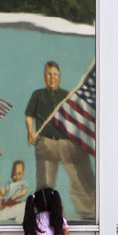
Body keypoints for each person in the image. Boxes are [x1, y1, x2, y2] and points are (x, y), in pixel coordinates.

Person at [25, 61, 95, 221]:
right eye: (49, 74)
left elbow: (78, 119)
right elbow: (29, 114)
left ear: (60, 77)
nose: (52, 77)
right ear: (44, 76)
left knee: (79, 178)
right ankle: (43, 216)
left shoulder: (67, 96)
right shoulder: (38, 95)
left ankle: (89, 214)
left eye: (55, 74)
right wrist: (30, 130)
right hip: (46, 142)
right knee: (45, 181)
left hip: (67, 143)